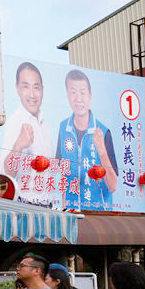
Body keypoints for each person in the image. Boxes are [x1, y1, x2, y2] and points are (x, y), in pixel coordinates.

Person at [55, 69, 118, 211]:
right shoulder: (62, 128)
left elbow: (113, 186)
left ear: (90, 96)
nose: (78, 98)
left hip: (100, 215)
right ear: (67, 96)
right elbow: (61, 173)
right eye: (73, 92)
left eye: (82, 93)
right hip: (70, 214)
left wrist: (101, 151)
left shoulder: (104, 132)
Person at [0, 61, 58, 208]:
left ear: (43, 90)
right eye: (26, 86)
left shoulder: (45, 123)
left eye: (36, 87)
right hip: (25, 207)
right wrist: (18, 145)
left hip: (48, 206)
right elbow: (7, 173)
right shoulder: (15, 121)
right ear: (17, 89)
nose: (32, 94)